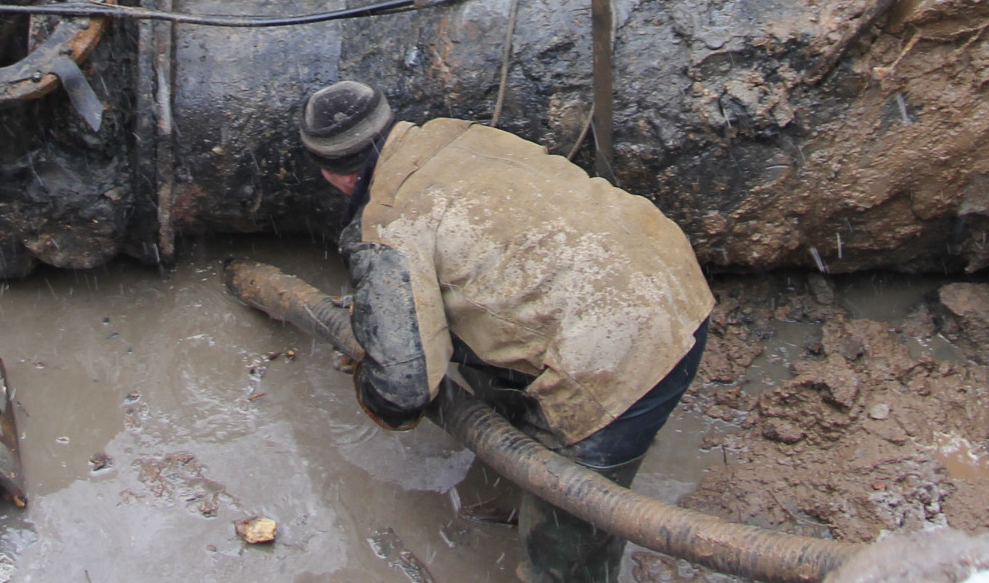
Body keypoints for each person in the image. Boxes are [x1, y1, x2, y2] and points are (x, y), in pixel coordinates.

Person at [305, 80, 714, 583]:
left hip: (619, 356)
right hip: (676, 279)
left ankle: (565, 540)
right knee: (473, 318)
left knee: (566, 553)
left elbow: (403, 391)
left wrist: (370, 356)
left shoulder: (388, 225)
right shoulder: (460, 134)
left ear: (333, 174)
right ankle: (529, 454)